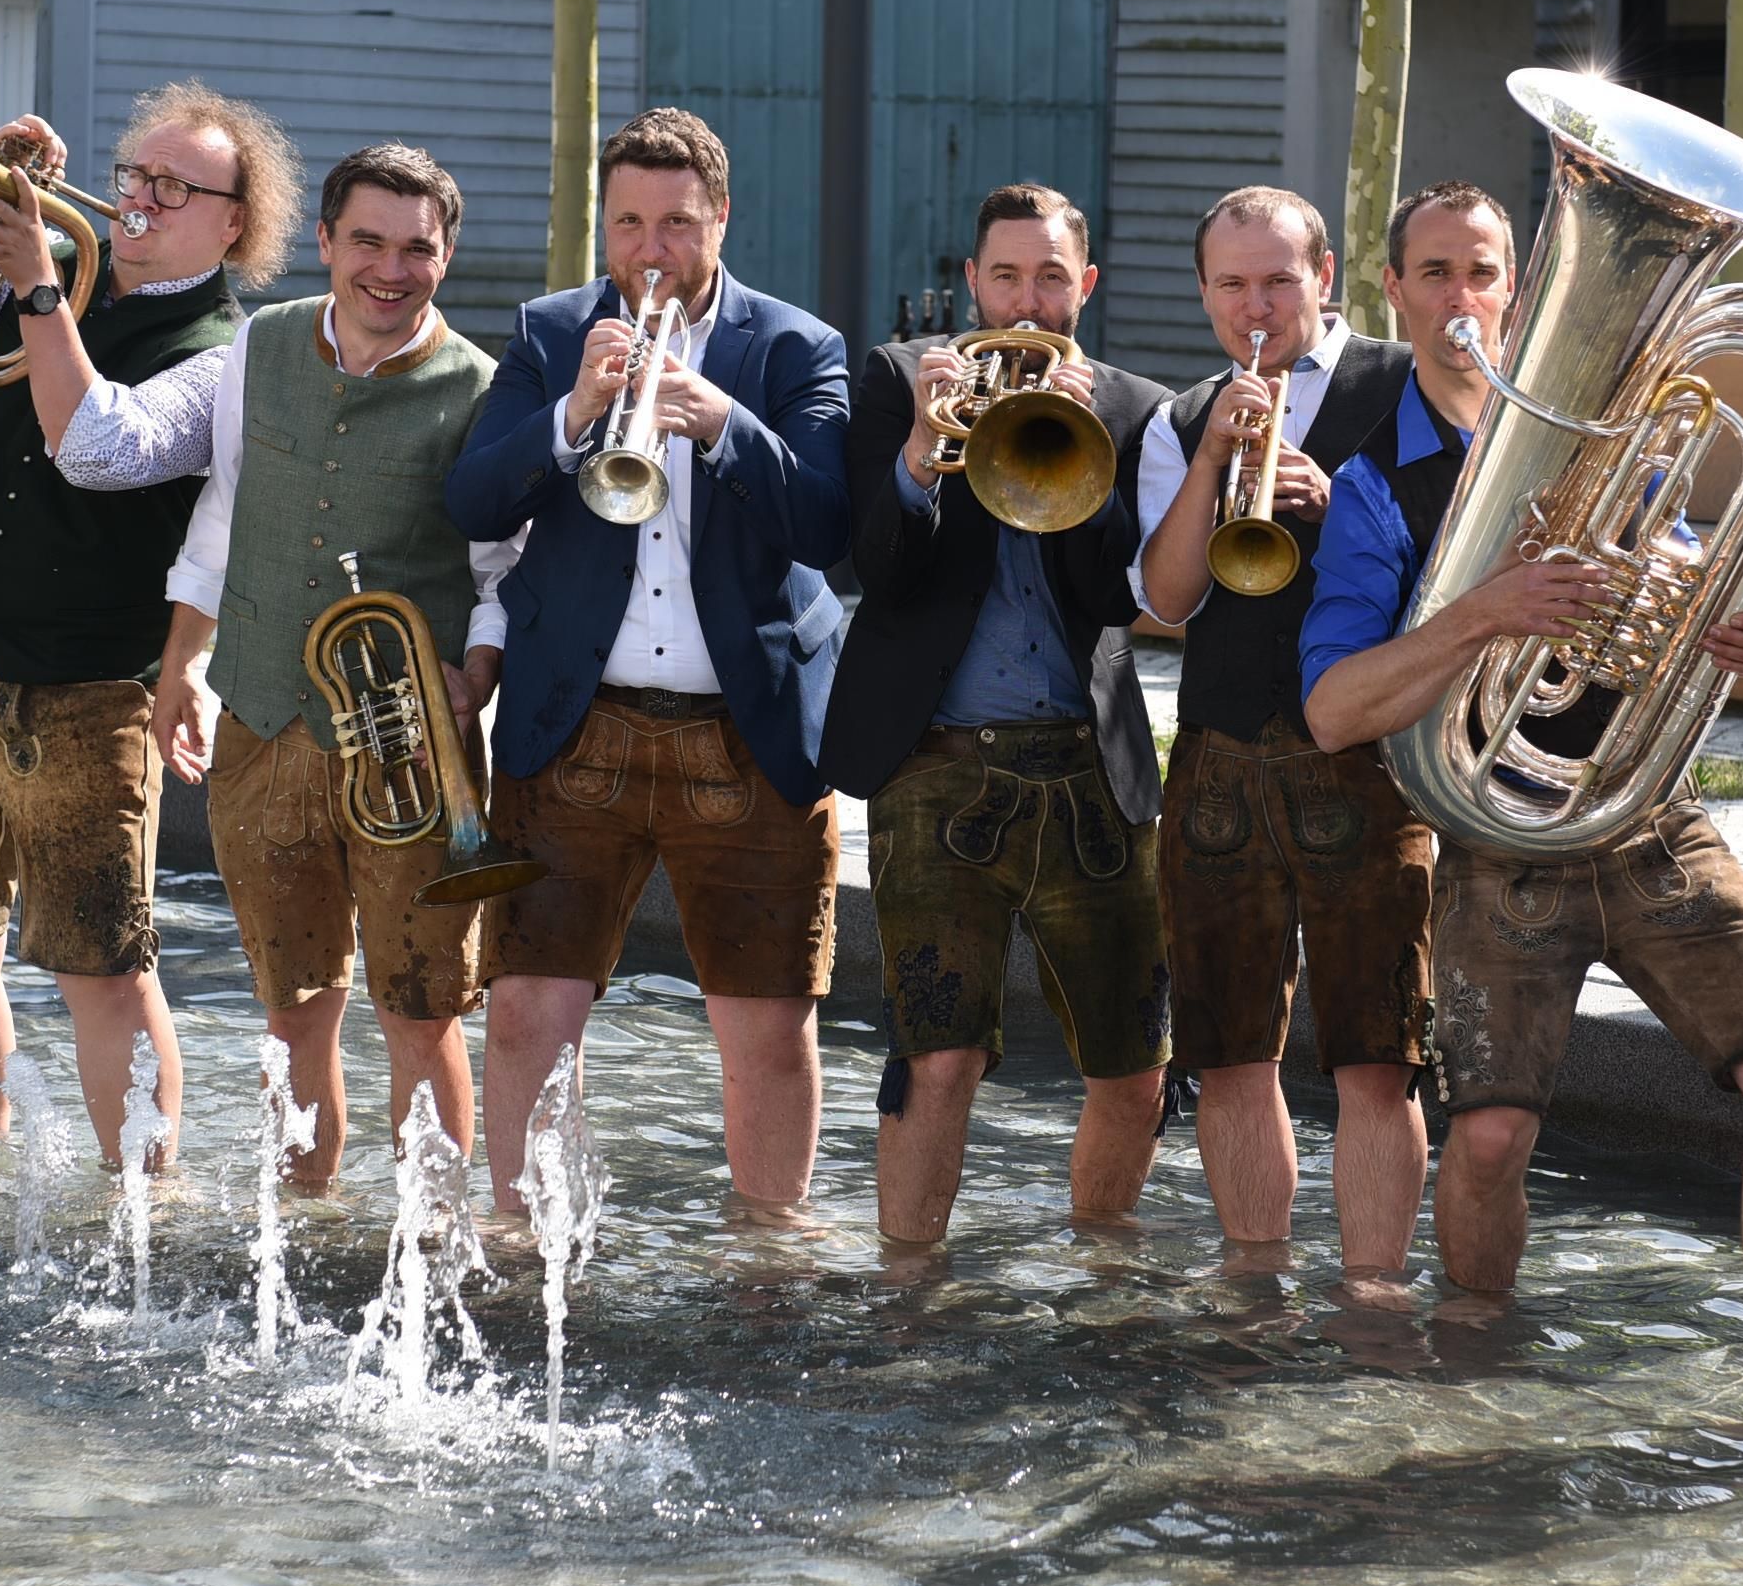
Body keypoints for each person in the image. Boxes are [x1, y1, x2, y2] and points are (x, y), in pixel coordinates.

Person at [1300, 185, 1743, 1330]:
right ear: (1393, 292)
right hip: (1497, 831)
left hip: (1644, 811)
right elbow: (1333, 711)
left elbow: (1675, 586)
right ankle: (1473, 1346)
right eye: (1434, 272)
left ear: (1517, 288)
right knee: (1489, 1137)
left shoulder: (1620, 438)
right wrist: (1483, 611)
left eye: (1482, 271)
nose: (1460, 297)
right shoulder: (1370, 481)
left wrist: (1723, 628)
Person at [0, 81, 297, 1167]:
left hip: (84, 693)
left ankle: (142, 1208)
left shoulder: (227, 357)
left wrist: (39, 289)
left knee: (104, 970)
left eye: (176, 188)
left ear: (234, 223)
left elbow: (102, 448)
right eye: (136, 173)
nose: (141, 198)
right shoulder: (49, 265)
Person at [444, 108, 850, 1217]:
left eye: (676, 223)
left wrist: (721, 423)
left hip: (748, 732)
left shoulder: (796, 348)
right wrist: (576, 410)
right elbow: (473, 501)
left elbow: (828, 525)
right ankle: (527, 1242)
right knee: (524, 1015)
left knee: (766, 1026)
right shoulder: (548, 332)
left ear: (721, 219)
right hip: (576, 725)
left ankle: (766, 1257)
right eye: (627, 223)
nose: (650, 249)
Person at [149, 142, 520, 1198]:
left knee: (420, 1012)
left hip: (412, 752)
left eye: (417, 249)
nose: (390, 270)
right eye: (367, 241)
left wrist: (478, 673)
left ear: (446, 256)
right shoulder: (257, 344)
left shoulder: (482, 388)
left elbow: (502, 572)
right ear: (323, 240)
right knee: (293, 1007)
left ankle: (433, 1241)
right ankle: (300, 1226)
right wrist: (179, 667)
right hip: (261, 722)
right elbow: (222, 514)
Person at [819, 185, 1175, 1248]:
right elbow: (871, 567)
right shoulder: (897, 379)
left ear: (1085, 284)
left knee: (1135, 1066)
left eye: (1051, 278)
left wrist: (1080, 436)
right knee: (937, 1055)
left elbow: (1118, 595)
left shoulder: (1134, 407)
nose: (1027, 302)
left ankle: (1101, 1281)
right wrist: (920, 453)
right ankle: (907, 1294)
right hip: (937, 762)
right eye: (1007, 277)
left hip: (1089, 767)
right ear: (972, 280)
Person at [1129, 185, 1420, 1283]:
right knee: (1228, 1051)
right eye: (1232, 285)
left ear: (1325, 278)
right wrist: (1214, 461)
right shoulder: (1181, 416)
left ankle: (1373, 1300)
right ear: (1204, 293)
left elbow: (1458, 563)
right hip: (1219, 757)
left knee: (1377, 1053)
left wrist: (1339, 500)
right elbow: (1167, 597)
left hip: (1367, 760)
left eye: (1279, 281)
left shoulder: (1404, 385)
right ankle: (1254, 1288)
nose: (1256, 307)